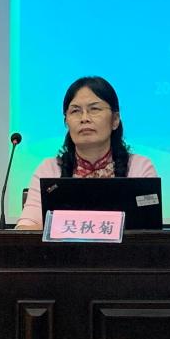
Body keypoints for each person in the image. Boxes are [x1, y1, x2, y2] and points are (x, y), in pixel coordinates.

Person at [16, 76, 157, 229]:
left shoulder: (139, 168)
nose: (84, 118)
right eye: (75, 111)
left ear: (115, 119)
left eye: (94, 109)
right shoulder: (50, 169)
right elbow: (26, 229)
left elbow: (150, 233)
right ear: (66, 122)